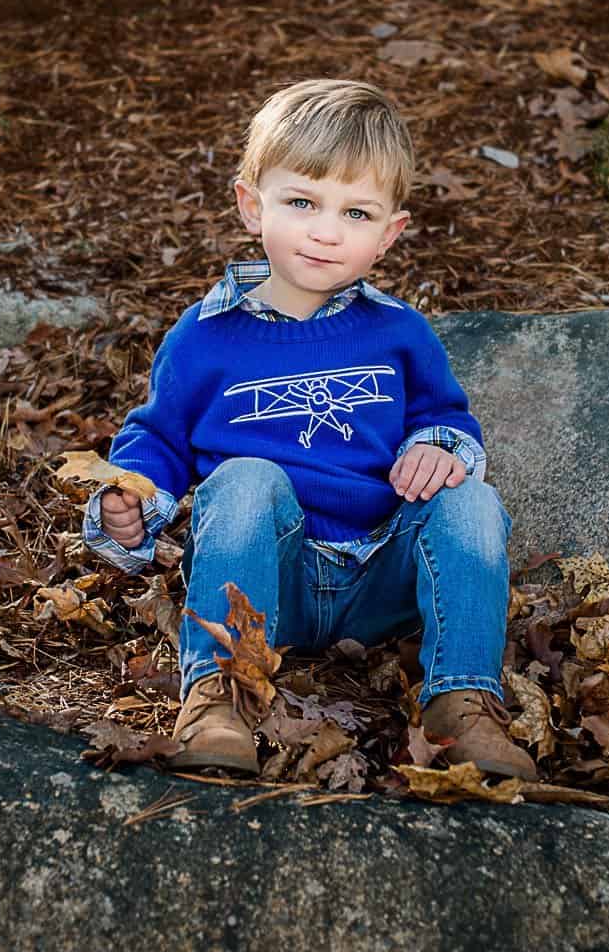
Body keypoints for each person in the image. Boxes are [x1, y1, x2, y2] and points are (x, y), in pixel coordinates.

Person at [83, 78, 532, 780]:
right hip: (269, 580)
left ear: (388, 235)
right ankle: (221, 695)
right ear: (250, 205)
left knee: (472, 498)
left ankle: (462, 701)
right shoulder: (205, 337)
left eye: (356, 213)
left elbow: (445, 416)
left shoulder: (400, 333)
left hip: (381, 577)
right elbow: (159, 439)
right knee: (245, 478)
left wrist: (437, 449)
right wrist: (132, 499)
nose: (327, 231)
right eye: (302, 203)